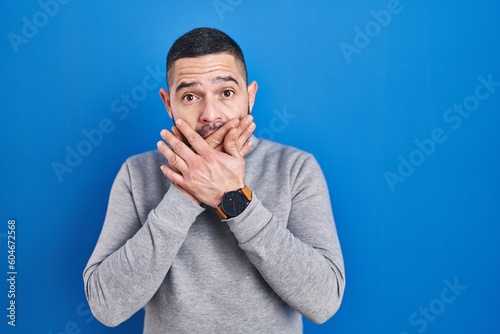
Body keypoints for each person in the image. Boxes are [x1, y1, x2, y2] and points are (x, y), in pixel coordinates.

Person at [83, 27, 345, 334]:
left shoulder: (295, 168)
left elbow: (324, 301)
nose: (210, 114)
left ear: (251, 95)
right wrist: (184, 194)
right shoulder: (136, 173)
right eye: (191, 96)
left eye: (227, 93)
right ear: (169, 104)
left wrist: (234, 197)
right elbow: (106, 306)